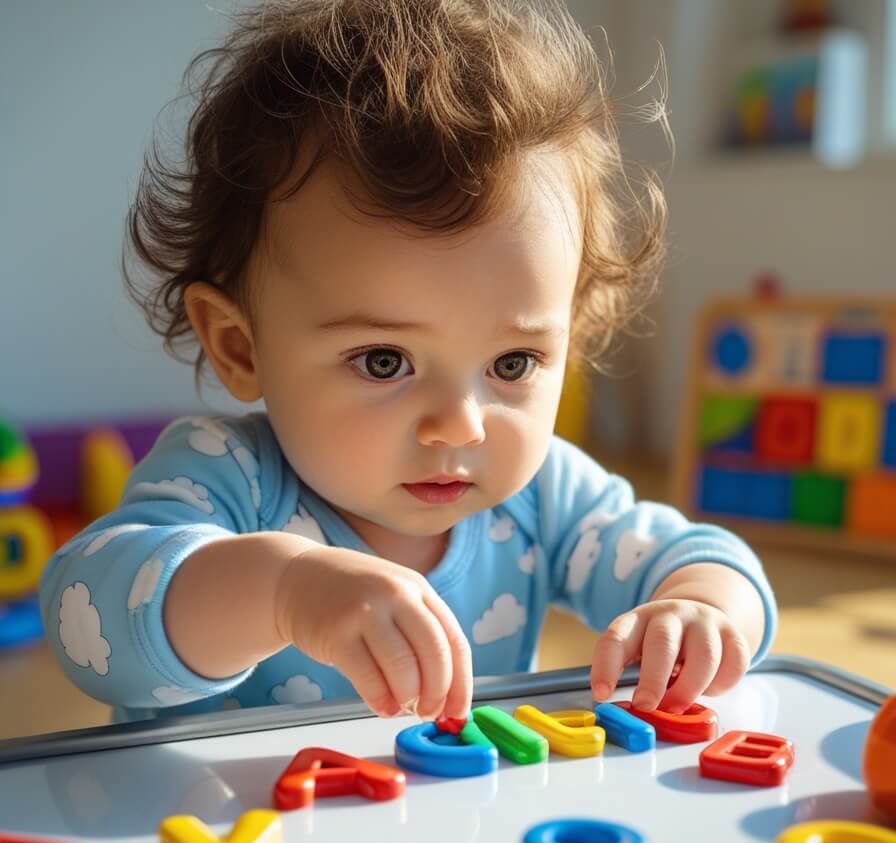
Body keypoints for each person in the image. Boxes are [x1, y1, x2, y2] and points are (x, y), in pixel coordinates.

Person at [39, 0, 776, 725]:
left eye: (512, 364)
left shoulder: (545, 498)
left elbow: (703, 559)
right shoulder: (227, 479)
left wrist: (700, 610)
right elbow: (91, 625)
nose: (459, 426)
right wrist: (285, 592)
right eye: (385, 361)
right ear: (240, 345)